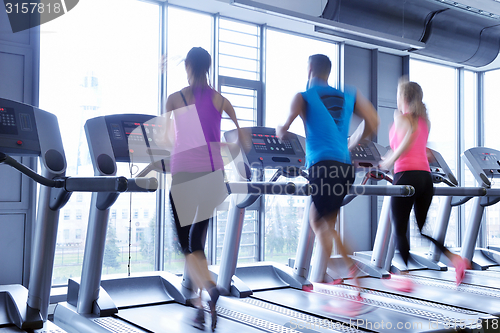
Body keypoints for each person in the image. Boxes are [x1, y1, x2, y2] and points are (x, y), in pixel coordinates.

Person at [277, 54, 379, 300]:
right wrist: (354, 142)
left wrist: (281, 132)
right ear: (328, 71)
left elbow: (283, 129)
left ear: (310, 68)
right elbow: (373, 121)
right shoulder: (348, 94)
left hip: (322, 167)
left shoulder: (302, 97)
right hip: (344, 168)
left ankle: (356, 279)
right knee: (318, 220)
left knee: (323, 224)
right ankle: (323, 276)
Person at [164, 47, 247, 331]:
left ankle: (208, 287)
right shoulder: (221, 99)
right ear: (209, 67)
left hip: (184, 174)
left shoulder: (175, 99)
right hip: (213, 176)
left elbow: (165, 138)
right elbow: (238, 140)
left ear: (187, 65)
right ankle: (201, 301)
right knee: (198, 239)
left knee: (185, 243)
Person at [379, 78, 470, 292]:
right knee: (421, 229)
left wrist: (388, 161)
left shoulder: (402, 119)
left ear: (403, 97)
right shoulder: (424, 121)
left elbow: (407, 141)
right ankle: (456, 259)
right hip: (424, 179)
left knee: (399, 230)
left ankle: (406, 275)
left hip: (405, 176)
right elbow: (421, 148)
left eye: (398, 95)